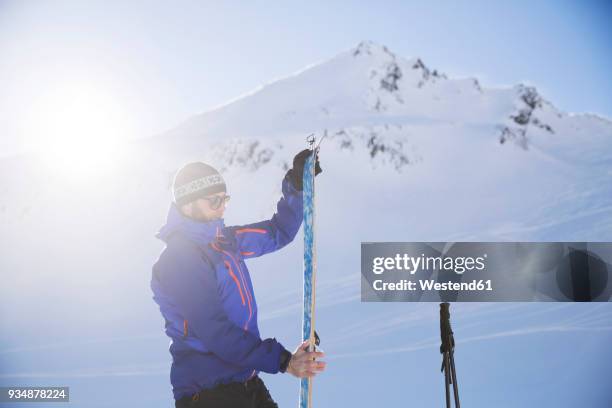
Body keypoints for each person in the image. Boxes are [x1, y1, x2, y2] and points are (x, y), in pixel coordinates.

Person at [151, 149, 325, 407]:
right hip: (209, 393)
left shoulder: (224, 240)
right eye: (214, 201)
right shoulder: (180, 260)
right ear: (188, 204)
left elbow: (278, 232)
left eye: (225, 199)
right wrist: (284, 361)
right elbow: (216, 332)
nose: (222, 208)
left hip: (246, 380)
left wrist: (297, 186)